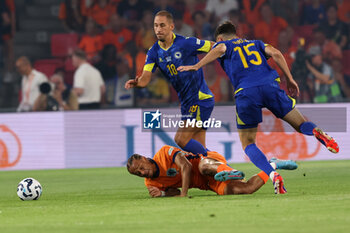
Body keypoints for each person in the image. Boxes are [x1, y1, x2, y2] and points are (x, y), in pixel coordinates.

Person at [178, 21, 339, 194]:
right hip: (270, 86)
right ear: (236, 34)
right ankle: (315, 131)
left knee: (248, 143)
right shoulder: (256, 43)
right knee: (300, 124)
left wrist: (196, 66)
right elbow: (276, 53)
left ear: (219, 38)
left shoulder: (223, 45)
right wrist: (290, 78)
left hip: (246, 92)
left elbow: (219, 50)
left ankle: (273, 175)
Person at [125, 10, 215, 156]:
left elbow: (216, 47)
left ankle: (225, 168)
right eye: (155, 26)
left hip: (199, 99)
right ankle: (227, 171)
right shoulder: (153, 52)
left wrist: (199, 65)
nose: (158, 29)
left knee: (181, 139)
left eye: (162, 25)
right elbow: (145, 78)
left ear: (171, 26)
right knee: (199, 154)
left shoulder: (186, 43)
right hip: (187, 103)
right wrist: (138, 83)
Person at [127, 145, 298, 197]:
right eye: (138, 174)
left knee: (203, 166)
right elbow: (174, 190)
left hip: (206, 160)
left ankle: (230, 171)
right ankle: (273, 166)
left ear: (144, 158)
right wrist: (163, 194)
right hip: (207, 184)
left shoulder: (164, 153)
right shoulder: (151, 182)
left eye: (140, 168)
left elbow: (186, 166)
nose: (142, 173)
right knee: (246, 189)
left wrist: (184, 194)